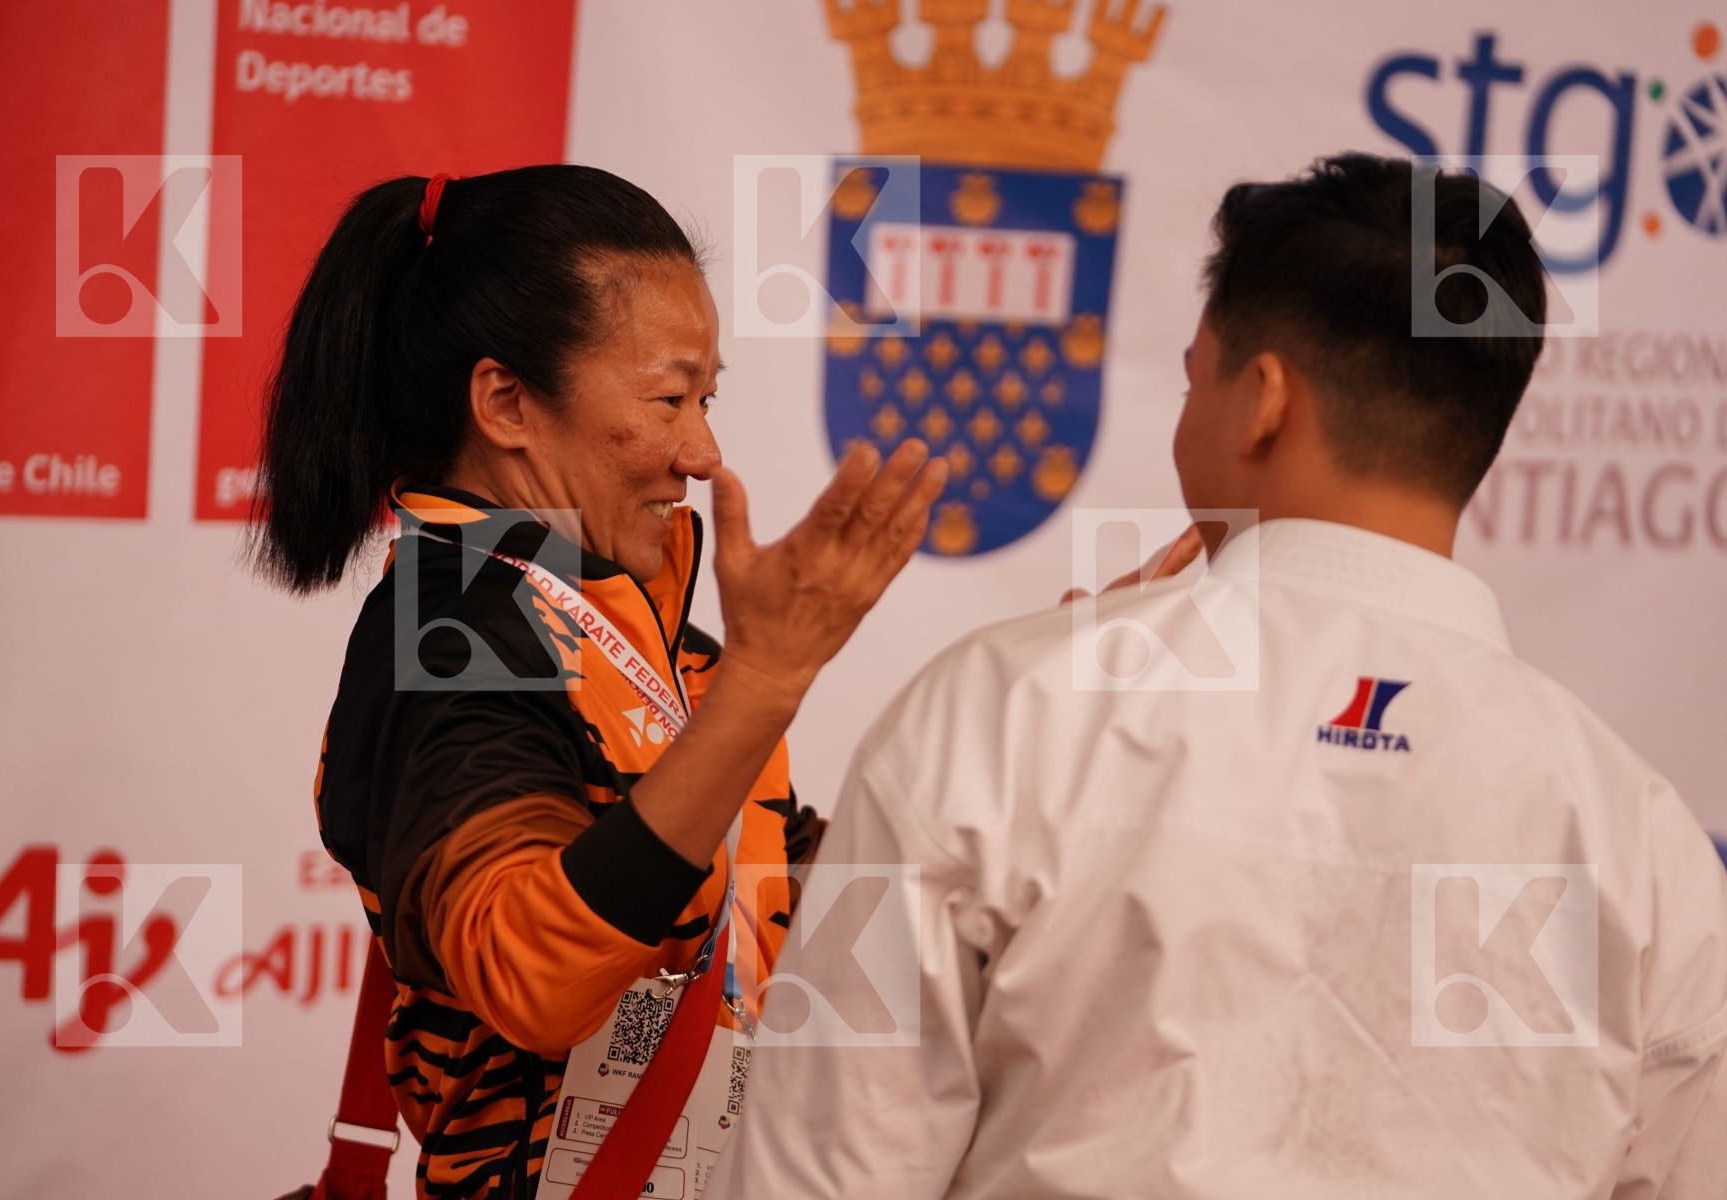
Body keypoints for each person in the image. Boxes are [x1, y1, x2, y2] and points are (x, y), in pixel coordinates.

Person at [711, 154, 1727, 1199]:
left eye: (1196, 377)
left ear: (1264, 402)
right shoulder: (1642, 836)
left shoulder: (1000, 715)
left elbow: (817, 1176)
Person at [253, 164, 947, 1198]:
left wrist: (1031, 731)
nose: (703, 451)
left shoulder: (670, 644)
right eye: (669, 399)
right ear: (506, 403)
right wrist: (766, 684)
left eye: (706, 399)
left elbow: (801, 912)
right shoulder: (450, 625)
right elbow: (530, 972)